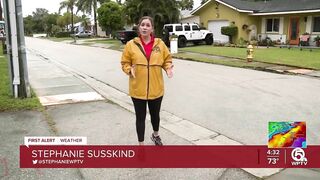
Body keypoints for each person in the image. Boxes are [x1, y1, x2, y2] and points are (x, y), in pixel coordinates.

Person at [121, 16, 173, 146]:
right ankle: (141, 146)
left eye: (147, 25)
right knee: (140, 118)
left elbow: (167, 59)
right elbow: (125, 62)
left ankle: (156, 135)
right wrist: (129, 69)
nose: (144, 27)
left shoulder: (160, 44)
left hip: (156, 89)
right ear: (139, 27)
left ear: (152, 29)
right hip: (137, 89)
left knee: (155, 116)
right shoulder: (130, 45)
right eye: (142, 25)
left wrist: (168, 68)